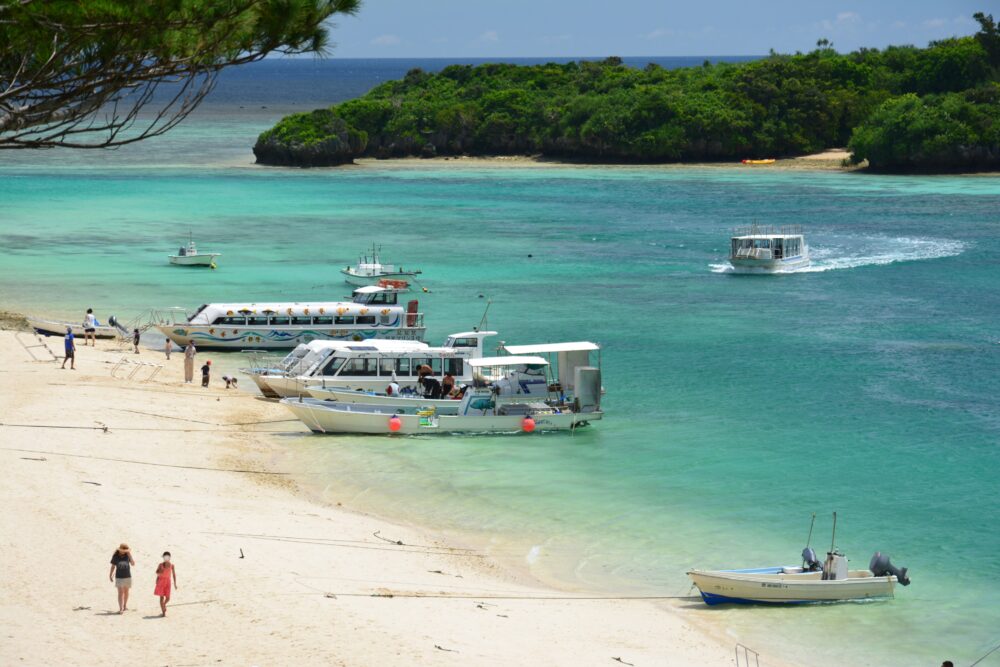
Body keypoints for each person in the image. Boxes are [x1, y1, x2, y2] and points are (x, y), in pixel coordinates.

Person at [109, 543, 135, 614]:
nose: (124, 551)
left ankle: (125, 605)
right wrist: (110, 575)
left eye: (126, 550)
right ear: (120, 550)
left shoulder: (127, 555)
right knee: (120, 593)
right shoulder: (115, 556)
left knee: (126, 592)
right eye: (124, 550)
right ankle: (121, 608)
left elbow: (133, 564)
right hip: (119, 577)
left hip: (127, 576)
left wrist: (130, 555)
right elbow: (113, 566)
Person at [154, 551, 178, 616]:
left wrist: (175, 584)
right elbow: (157, 572)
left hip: (168, 582)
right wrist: (160, 571)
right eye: (165, 557)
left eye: (168, 557)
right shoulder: (160, 565)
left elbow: (174, 575)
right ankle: (163, 612)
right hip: (161, 581)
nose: (166, 558)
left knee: (168, 598)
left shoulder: (172, 565)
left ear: (170, 558)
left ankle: (164, 604)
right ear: (163, 558)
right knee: (161, 597)